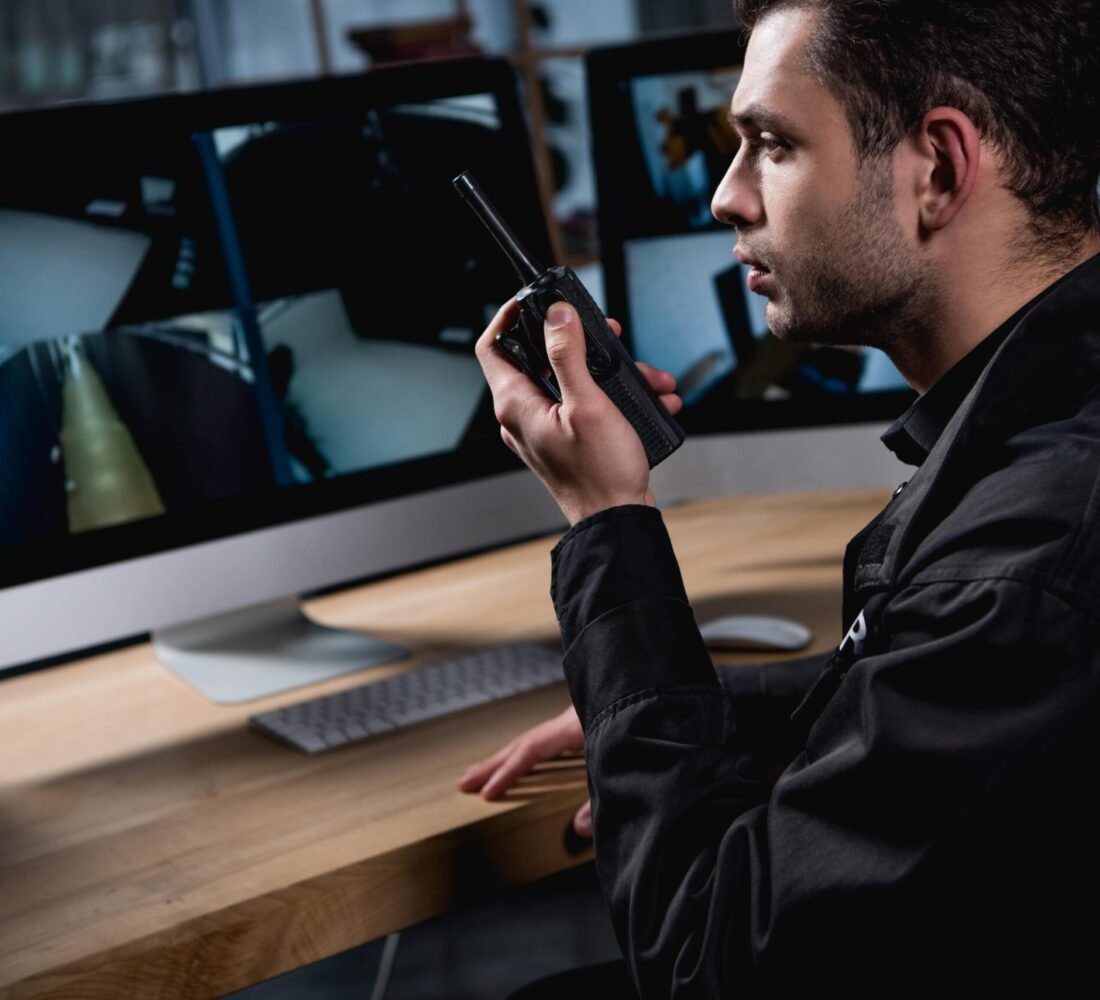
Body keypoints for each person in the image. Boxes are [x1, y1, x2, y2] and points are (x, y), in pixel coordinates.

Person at [461, 0, 1100, 994]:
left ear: (935, 169)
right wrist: (695, 701)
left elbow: (705, 963)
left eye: (769, 144)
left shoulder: (1028, 550)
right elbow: (962, 680)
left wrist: (607, 520)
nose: (724, 197)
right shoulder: (1048, 443)